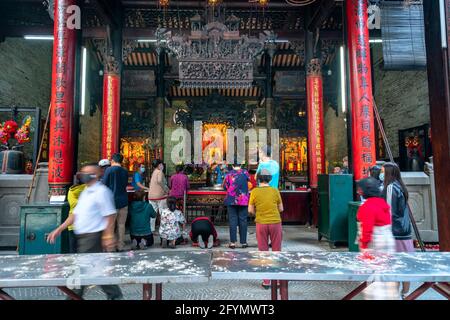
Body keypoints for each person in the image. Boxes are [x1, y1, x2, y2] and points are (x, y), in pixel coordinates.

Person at [47, 163, 123, 300]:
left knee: (83, 272)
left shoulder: (101, 191)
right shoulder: (85, 192)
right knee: (96, 271)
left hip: (93, 238)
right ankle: (115, 296)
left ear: (96, 174)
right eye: (83, 172)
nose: (84, 175)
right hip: (81, 237)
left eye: (88, 172)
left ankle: (74, 297)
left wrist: (108, 236)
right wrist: (59, 229)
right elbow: (75, 215)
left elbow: (110, 215)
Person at [356, 177, 399, 300]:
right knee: (386, 272)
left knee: (374, 274)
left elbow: (367, 229)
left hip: (375, 242)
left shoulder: (367, 206)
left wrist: (364, 246)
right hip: (387, 239)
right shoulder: (383, 203)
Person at [381, 162, 414, 299]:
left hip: (395, 232)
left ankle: (394, 294)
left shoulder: (390, 188)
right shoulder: (400, 186)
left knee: (393, 264)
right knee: (405, 264)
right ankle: (406, 293)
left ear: (388, 173)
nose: (381, 174)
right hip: (404, 230)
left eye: (382, 171)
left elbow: (388, 211)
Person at [248, 169, 284, 289]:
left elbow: (250, 210)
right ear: (270, 179)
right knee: (276, 250)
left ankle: (266, 281)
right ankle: (278, 280)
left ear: (258, 179)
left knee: (263, 251)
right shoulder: (275, 190)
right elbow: (281, 208)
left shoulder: (254, 191)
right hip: (275, 222)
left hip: (261, 223)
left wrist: (258, 212)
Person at [102, 153, 129, 251]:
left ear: (112, 160)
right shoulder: (125, 171)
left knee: (110, 225)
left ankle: (111, 248)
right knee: (121, 225)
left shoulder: (109, 170)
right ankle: (120, 245)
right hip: (123, 201)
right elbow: (125, 184)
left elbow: (104, 184)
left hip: (111, 202)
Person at [224, 163, 250, 249]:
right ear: (241, 165)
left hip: (231, 199)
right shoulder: (245, 173)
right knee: (243, 220)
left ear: (232, 165)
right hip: (243, 199)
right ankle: (244, 242)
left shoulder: (229, 174)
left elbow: (225, 186)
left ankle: (232, 243)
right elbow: (249, 183)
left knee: (232, 220)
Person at [67, 174, 86, 253]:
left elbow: (72, 204)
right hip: (85, 224)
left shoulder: (71, 191)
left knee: (73, 250)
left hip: (72, 224)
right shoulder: (88, 188)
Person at [148, 159, 169, 233]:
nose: (162, 165)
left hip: (151, 196)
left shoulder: (153, 172)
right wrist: (166, 189)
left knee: (153, 214)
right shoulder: (160, 172)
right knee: (163, 213)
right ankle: (164, 229)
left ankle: (151, 229)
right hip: (160, 196)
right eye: (161, 164)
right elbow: (160, 181)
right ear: (159, 165)